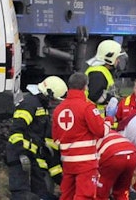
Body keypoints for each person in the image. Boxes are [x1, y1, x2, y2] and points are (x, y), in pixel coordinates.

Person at [8, 75, 68, 200]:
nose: (54, 104)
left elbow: (43, 137)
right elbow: (16, 131)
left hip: (33, 156)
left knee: (42, 194)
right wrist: (22, 153)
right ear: (48, 94)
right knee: (21, 194)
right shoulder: (29, 104)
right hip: (20, 155)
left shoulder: (42, 107)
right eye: (54, 100)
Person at [52, 72, 110, 200]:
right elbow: (100, 131)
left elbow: (55, 138)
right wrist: (108, 121)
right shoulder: (87, 107)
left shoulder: (58, 109)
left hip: (67, 162)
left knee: (66, 195)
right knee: (85, 195)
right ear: (85, 87)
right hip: (86, 163)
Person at [95, 130, 136, 200]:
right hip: (132, 154)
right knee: (122, 192)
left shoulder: (89, 136)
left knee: (101, 194)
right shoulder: (111, 131)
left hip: (113, 156)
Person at [85, 39, 125, 115]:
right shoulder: (97, 73)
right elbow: (95, 95)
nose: (118, 61)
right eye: (117, 58)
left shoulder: (101, 70)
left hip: (98, 116)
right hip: (96, 117)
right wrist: (113, 100)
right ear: (110, 58)